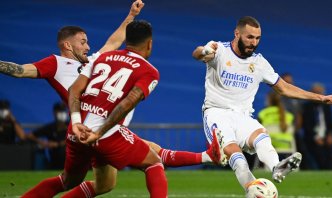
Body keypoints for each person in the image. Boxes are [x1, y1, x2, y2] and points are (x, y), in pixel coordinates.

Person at [0, 1, 223, 196]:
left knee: (103, 184)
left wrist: (131, 16)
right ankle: (207, 156)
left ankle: (207, 155)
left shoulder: (98, 60)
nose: (88, 46)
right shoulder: (56, 64)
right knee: (153, 160)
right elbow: (20, 70)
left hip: (82, 128)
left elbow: (113, 42)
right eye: (83, 41)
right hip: (99, 126)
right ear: (67, 45)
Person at [192, 16, 332, 197]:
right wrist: (205, 50)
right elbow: (198, 54)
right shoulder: (220, 51)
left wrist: (321, 98)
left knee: (262, 137)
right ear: (237, 34)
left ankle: (277, 167)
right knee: (237, 156)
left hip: (243, 116)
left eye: (257, 38)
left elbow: (284, 88)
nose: (254, 42)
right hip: (217, 113)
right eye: (249, 37)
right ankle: (253, 190)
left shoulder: (259, 62)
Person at [65, 20, 167, 197]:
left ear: (127, 40)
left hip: (77, 130)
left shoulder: (102, 57)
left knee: (97, 184)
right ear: (150, 44)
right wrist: (99, 132)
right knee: (153, 163)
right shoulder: (149, 71)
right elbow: (127, 103)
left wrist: (75, 123)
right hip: (105, 134)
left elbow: (74, 89)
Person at [302, 82, 332, 169]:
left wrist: (330, 135)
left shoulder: (327, 107)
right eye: (316, 92)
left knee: (331, 150)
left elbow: (330, 124)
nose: (318, 95)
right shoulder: (306, 107)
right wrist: (315, 137)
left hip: (325, 137)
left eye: (320, 92)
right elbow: (306, 125)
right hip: (312, 139)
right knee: (317, 152)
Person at [27, 102, 68, 170]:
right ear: (54, 113)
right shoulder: (50, 128)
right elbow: (30, 135)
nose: (62, 113)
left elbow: (77, 137)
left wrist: (58, 144)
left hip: (69, 155)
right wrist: (44, 143)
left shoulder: (71, 126)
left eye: (63, 111)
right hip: (54, 158)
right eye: (59, 111)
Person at [258, 91, 296, 159]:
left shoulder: (263, 113)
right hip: (287, 144)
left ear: (268, 100)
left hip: (270, 144)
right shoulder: (289, 115)